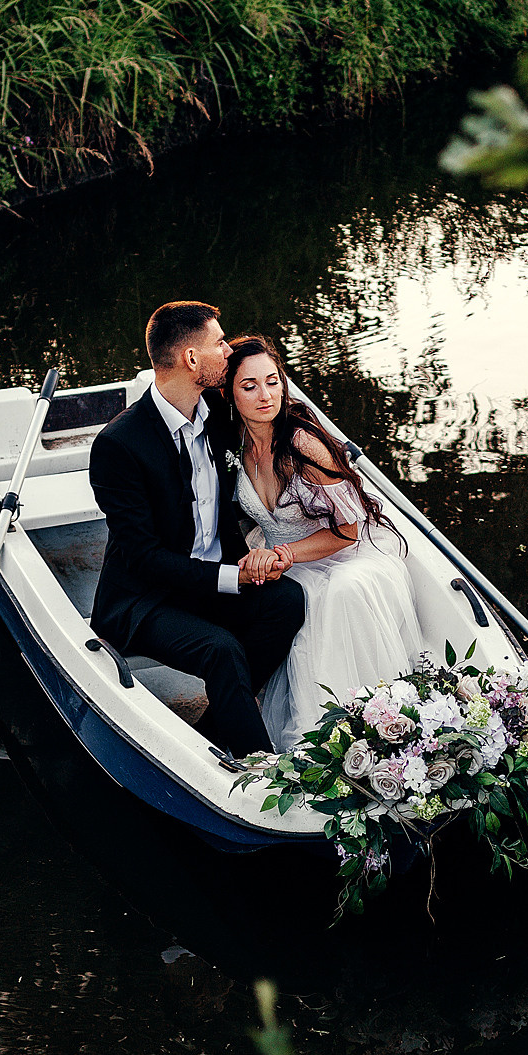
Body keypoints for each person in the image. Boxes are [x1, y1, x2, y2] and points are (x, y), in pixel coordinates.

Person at [89, 302, 307, 758]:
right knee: (221, 649)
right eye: (219, 343)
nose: (228, 350)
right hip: (145, 598)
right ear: (191, 359)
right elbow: (143, 557)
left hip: (210, 579)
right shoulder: (119, 445)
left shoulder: (217, 411)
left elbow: (272, 420)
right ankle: (263, 769)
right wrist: (234, 578)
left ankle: (212, 728)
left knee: (287, 602)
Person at [221, 336, 423, 752]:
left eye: (274, 382)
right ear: (228, 393)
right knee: (281, 601)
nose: (266, 395)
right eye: (250, 385)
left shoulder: (302, 444)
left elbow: (351, 527)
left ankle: (369, 731)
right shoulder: (231, 446)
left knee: (337, 594)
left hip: (344, 552)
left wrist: (285, 555)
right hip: (282, 557)